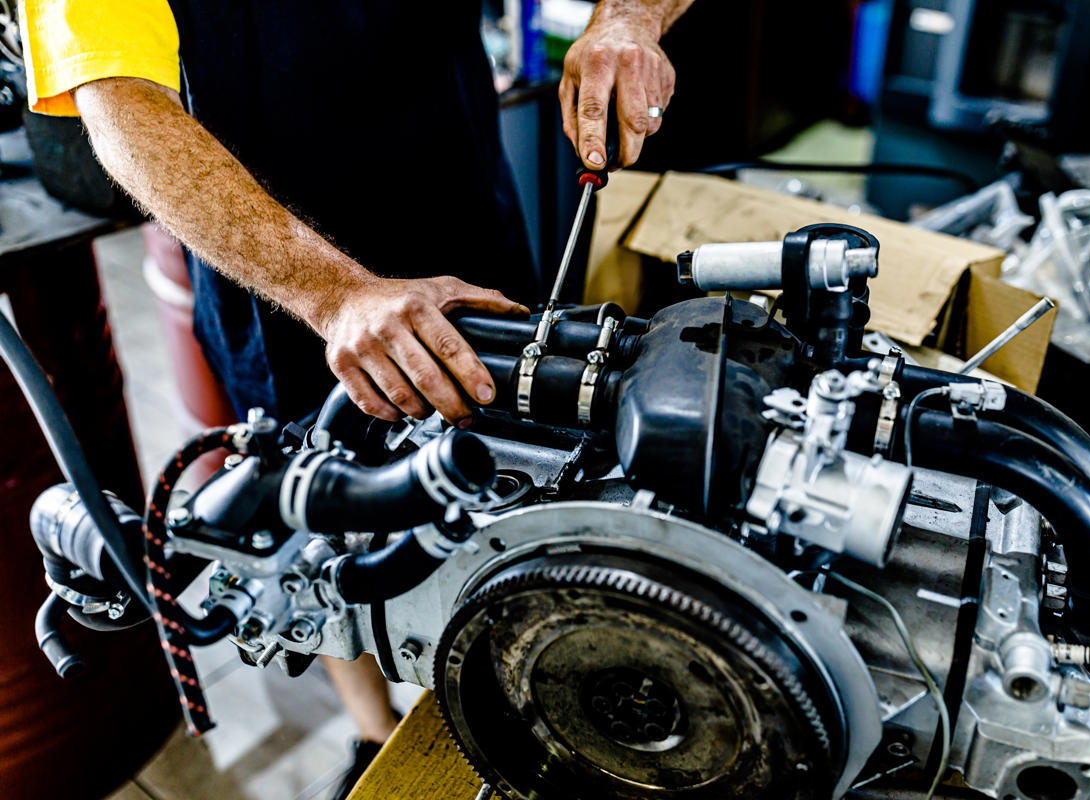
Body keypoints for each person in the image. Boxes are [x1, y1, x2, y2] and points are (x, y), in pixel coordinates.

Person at [20, 0, 695, 795]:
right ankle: (375, 731)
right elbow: (119, 101)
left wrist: (629, 18)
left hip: (461, 218)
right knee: (316, 529)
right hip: (283, 281)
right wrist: (335, 296)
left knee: (520, 493)